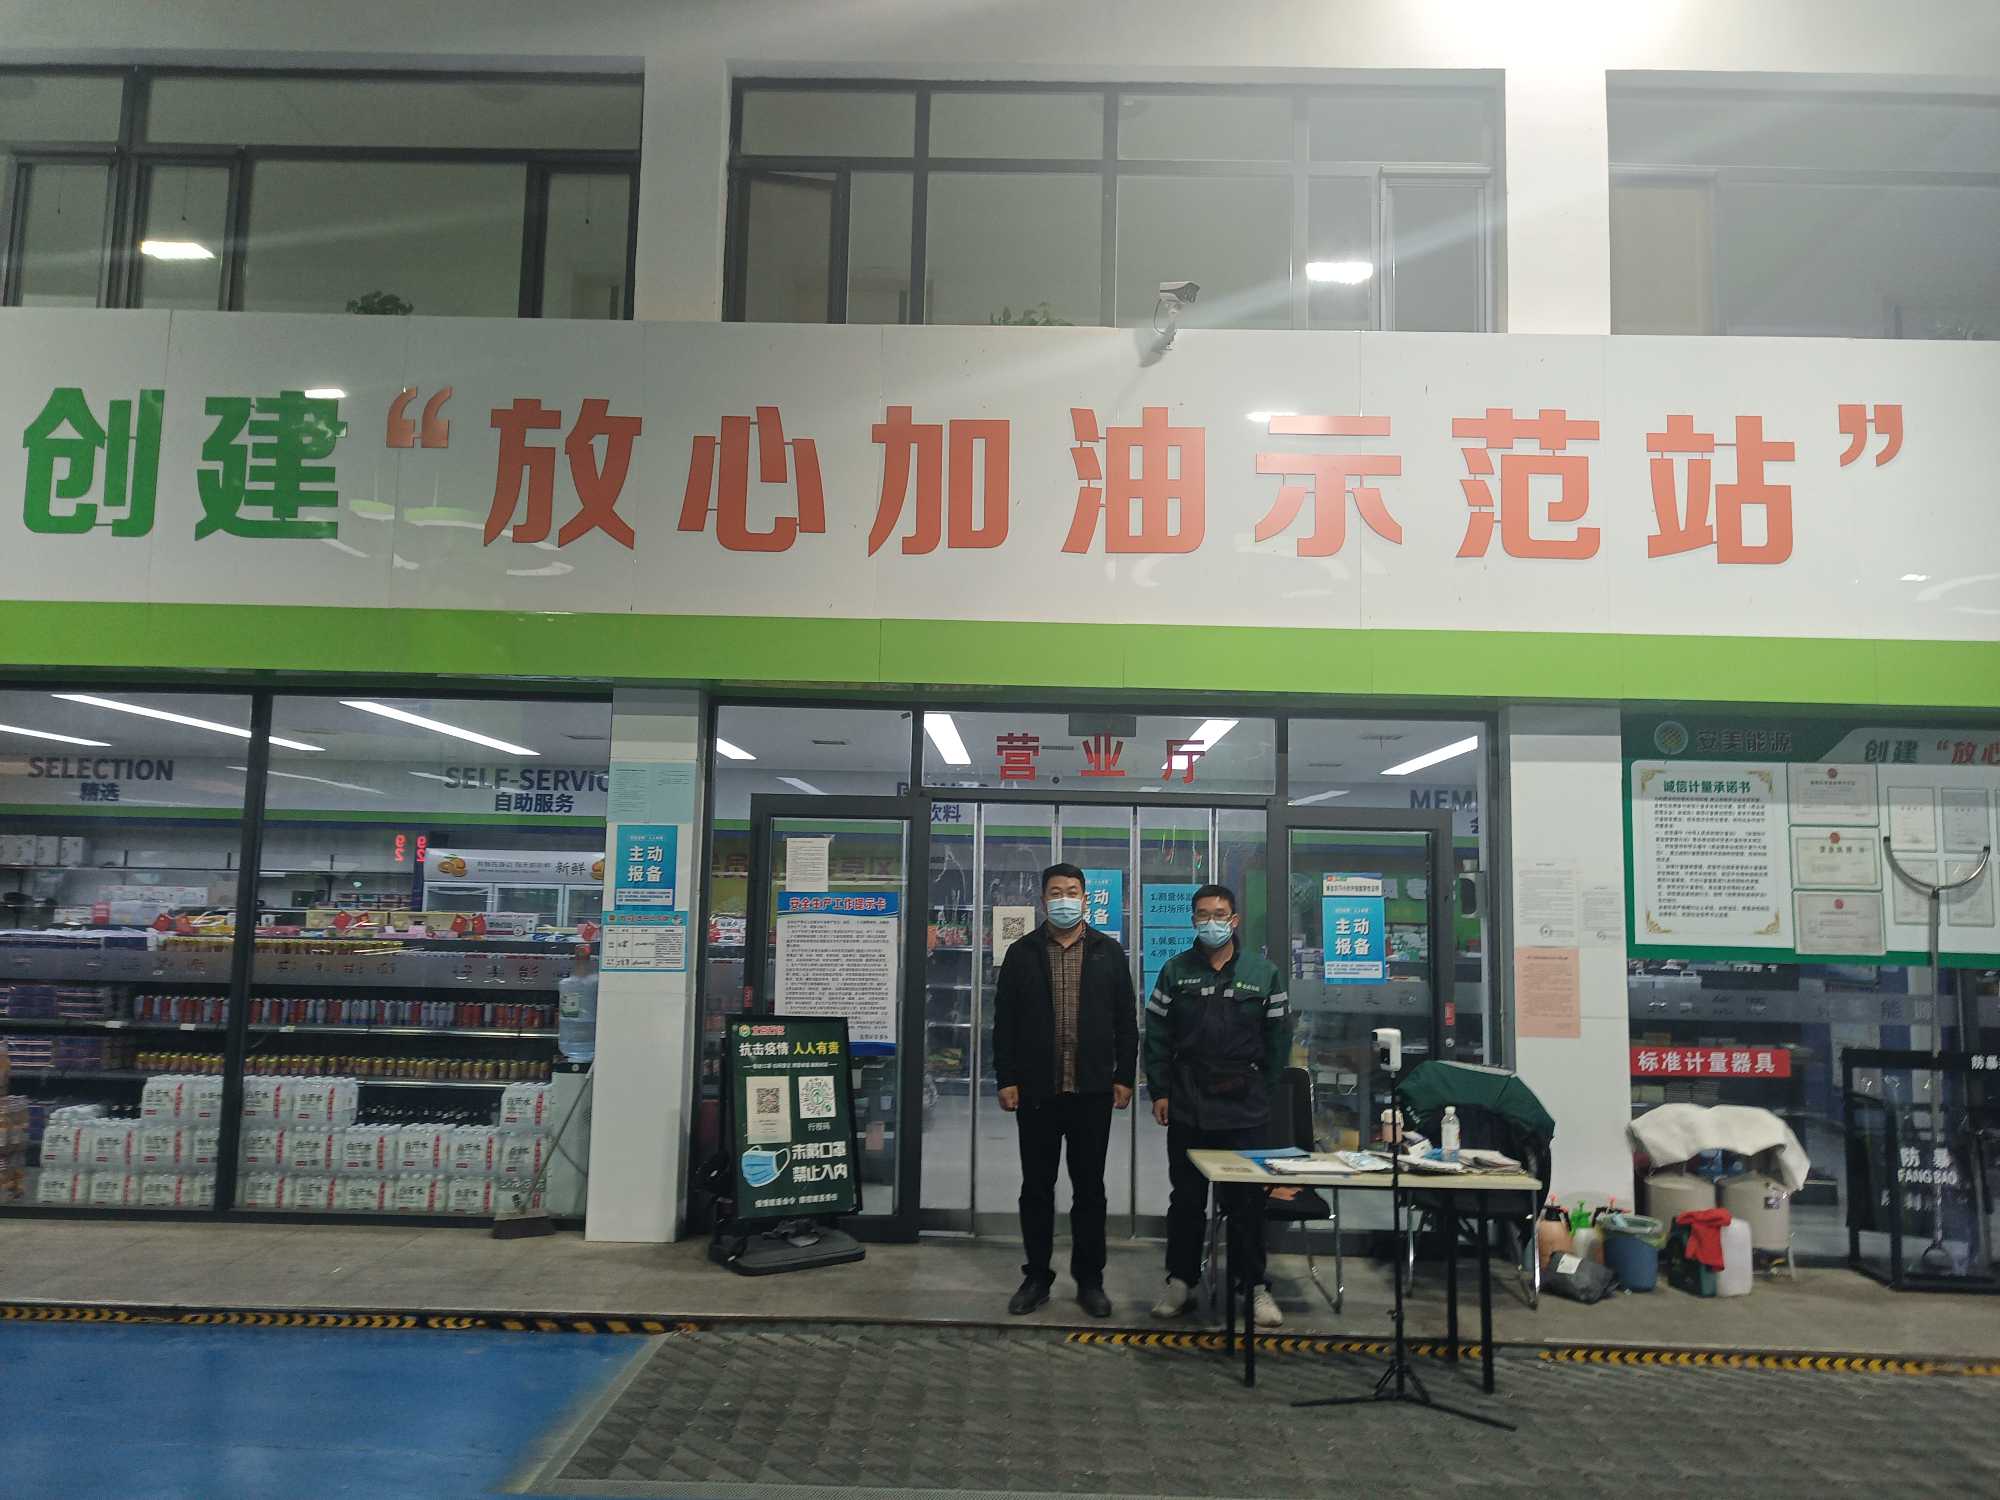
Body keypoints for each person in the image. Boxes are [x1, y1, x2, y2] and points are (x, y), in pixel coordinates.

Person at [992, 862, 1137, 1318]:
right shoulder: (1022, 953)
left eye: (1072, 891)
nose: (1064, 899)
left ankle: (1090, 1280)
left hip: (1092, 1091)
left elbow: (1127, 1022)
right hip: (1037, 1092)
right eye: (1056, 892)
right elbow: (1004, 1023)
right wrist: (1006, 1078)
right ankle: (1036, 1276)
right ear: (1043, 900)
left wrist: (1124, 1076)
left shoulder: (1108, 952)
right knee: (1036, 1187)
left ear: (1086, 898)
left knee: (1089, 1189)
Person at [1144, 883, 1292, 1328]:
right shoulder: (1175, 971)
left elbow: (1278, 1042)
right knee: (1186, 1200)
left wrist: (1263, 1090)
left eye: (1219, 914)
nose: (1212, 922)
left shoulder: (1263, 973)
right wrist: (1161, 1091)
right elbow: (1156, 1037)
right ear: (1193, 920)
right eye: (1203, 915)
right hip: (1188, 1101)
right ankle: (1181, 1282)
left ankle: (1254, 1285)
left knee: (1246, 1201)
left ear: (1235, 919)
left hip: (1244, 1105)